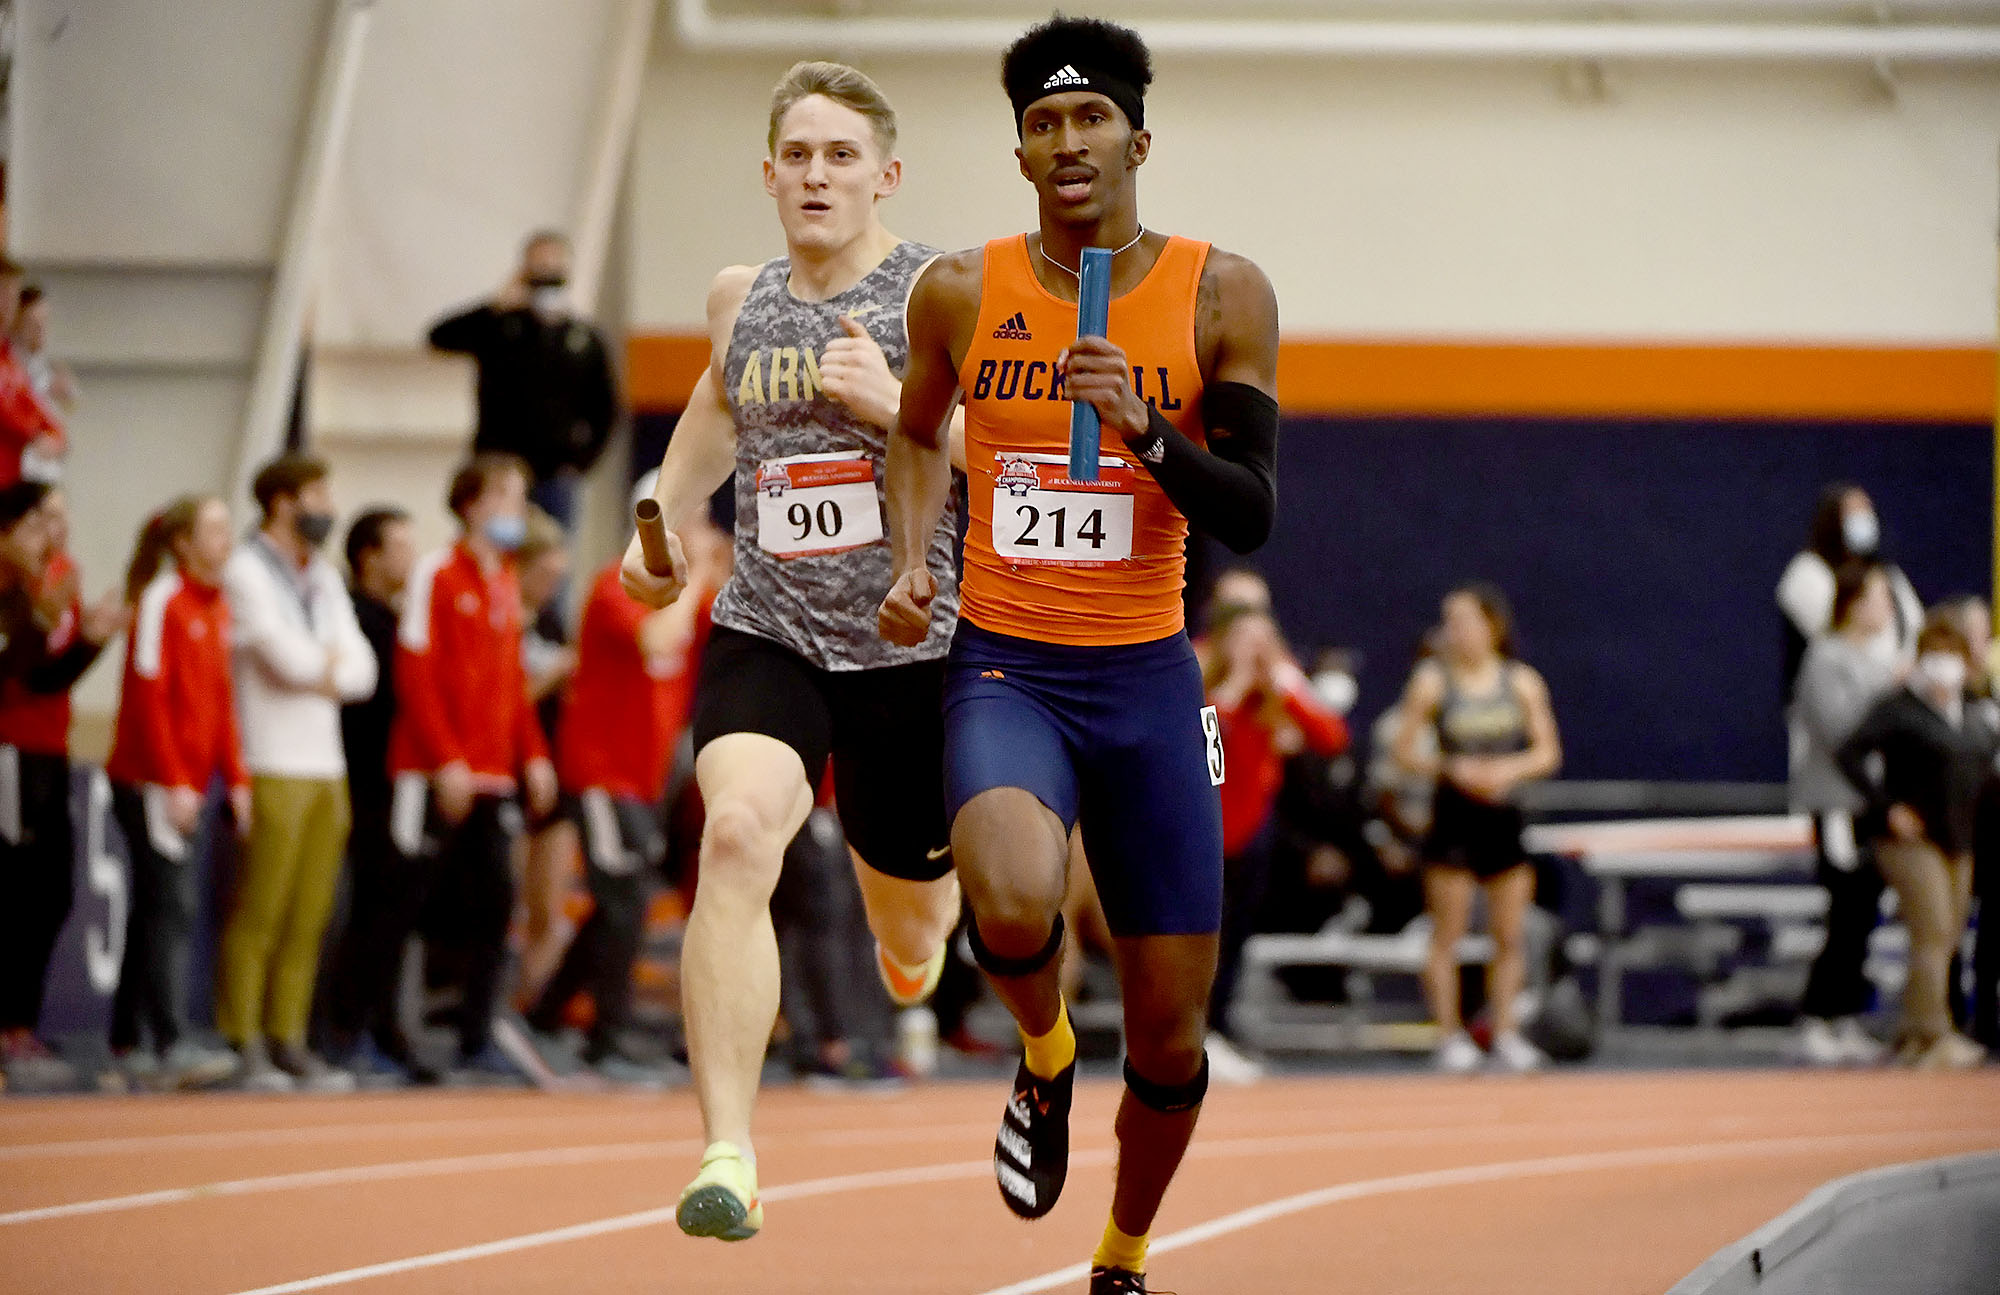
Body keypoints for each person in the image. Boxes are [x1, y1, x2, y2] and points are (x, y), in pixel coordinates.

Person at [876, 18, 1282, 1292]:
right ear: (1018, 154)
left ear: (1135, 140)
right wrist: (909, 559)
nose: (1066, 143)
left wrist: (1148, 430)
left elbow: (1253, 507)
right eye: (1042, 126)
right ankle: (1043, 1055)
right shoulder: (956, 289)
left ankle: (1121, 1255)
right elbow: (915, 434)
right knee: (1005, 896)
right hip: (1008, 664)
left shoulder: (1223, 292)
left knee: (1167, 1037)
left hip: (1150, 680)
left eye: (1089, 120)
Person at [617, 60, 968, 1241]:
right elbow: (716, 412)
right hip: (768, 628)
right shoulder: (737, 296)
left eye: (840, 157)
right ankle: (727, 1149)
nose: (817, 176)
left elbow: (1014, 458)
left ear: (885, 175)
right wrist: (654, 522)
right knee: (733, 832)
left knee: (908, 925)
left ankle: (916, 932)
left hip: (908, 641)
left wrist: (900, 409)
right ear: (769, 172)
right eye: (798, 157)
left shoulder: (942, 293)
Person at [526, 483, 726, 1082]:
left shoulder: (693, 595)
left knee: (623, 896)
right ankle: (602, 1033)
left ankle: (547, 1010)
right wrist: (696, 578)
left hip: (644, 776)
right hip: (600, 771)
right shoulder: (617, 582)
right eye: (695, 516)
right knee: (624, 898)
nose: (706, 529)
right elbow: (657, 638)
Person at [384, 453, 558, 1080]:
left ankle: (474, 1036)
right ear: (473, 503)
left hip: (493, 776)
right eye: (508, 495)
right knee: (403, 901)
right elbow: (416, 671)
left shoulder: (505, 579)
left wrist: (533, 755)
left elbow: (511, 681)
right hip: (435, 773)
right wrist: (446, 759)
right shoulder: (437, 572)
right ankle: (377, 1033)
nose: (517, 508)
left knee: (495, 904)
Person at [216, 455, 377, 1091]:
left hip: (325, 766)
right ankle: (242, 1037)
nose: (327, 505)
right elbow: (284, 662)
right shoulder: (246, 571)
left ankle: (289, 1035)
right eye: (317, 492)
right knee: (260, 909)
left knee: (311, 914)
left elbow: (362, 672)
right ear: (282, 501)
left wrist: (326, 668)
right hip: (271, 757)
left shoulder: (323, 580)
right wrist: (327, 667)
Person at [104, 495, 249, 1090]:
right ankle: (166, 1041)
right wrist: (171, 780)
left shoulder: (217, 609)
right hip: (150, 782)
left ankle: (128, 1039)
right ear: (183, 542)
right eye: (213, 529)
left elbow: (220, 705)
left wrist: (235, 778)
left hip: (191, 783)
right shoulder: (163, 600)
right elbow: (146, 694)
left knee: (154, 908)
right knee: (172, 906)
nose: (224, 539)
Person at [1391, 583, 1563, 1075]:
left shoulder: (1521, 682)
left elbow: (1547, 752)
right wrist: (1452, 769)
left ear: (1492, 626)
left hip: (1503, 820)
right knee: (1448, 931)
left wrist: (1506, 771)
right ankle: (1449, 1034)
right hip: (1454, 821)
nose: (1455, 631)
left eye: (1464, 620)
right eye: (1449, 621)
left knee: (1509, 935)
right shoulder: (1433, 682)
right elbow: (1404, 752)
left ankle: (1505, 1031)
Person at [0, 485, 126, 1090]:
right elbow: (11, 674)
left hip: (50, 749)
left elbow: (47, 681)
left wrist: (91, 643)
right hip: (8, 752)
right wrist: (44, 618)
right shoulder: (13, 590)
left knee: (51, 892)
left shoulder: (51, 581)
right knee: (15, 890)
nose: (55, 531)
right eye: (39, 521)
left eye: (60, 517)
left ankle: (20, 1022)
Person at [1836, 612, 1993, 1069]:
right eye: (1935, 656)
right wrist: (1887, 807)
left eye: (1953, 656)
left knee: (1946, 937)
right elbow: (1849, 753)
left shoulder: (1971, 711)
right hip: (1911, 840)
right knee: (1932, 929)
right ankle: (1934, 1032)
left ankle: (1911, 1033)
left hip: (1959, 838)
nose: (1945, 666)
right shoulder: (1900, 707)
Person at [1202, 605, 1347, 1082]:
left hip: (1251, 832)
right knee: (1200, 940)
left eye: (1265, 639)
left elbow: (1331, 737)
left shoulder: (1275, 696)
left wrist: (1285, 686)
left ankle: (1214, 1030)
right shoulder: (1207, 682)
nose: (1256, 650)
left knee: (1235, 940)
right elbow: (1202, 739)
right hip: (1204, 830)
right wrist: (1236, 684)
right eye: (1246, 638)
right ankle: (1191, 1032)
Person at [323, 506, 424, 1079]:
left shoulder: (396, 617)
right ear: (368, 556)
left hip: (391, 782)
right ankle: (347, 1028)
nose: (411, 558)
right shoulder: (358, 617)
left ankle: (379, 1023)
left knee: (391, 912)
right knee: (365, 913)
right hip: (361, 780)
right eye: (401, 547)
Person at [1788, 560, 1903, 1065]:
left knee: (1864, 913)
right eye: (1879, 596)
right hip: (1839, 803)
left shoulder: (1876, 661)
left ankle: (1846, 1014)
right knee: (1845, 908)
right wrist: (1890, 695)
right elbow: (1839, 732)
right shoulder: (1827, 657)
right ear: (1853, 602)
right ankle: (1818, 1015)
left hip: (1871, 804)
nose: (1887, 608)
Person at [427, 232, 619, 530]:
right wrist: (494, 306)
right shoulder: (498, 327)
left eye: (554, 272)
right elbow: (438, 338)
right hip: (496, 470)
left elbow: (607, 409)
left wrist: (580, 464)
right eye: (538, 272)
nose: (546, 282)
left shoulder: (583, 339)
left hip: (554, 474)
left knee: (551, 556)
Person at [512, 507, 580, 1008]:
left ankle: (532, 1010)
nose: (552, 586)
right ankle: (497, 1007)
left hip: (555, 764)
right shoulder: (504, 614)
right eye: (545, 576)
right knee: (508, 900)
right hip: (512, 767)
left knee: (549, 908)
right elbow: (506, 696)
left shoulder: (552, 619)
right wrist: (559, 670)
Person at [1776, 484, 1921, 702]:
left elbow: (1915, 628)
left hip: (1893, 705)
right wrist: (1888, 675)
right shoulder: (1807, 572)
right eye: (1854, 512)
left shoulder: (1888, 574)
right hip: (1835, 702)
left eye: (1867, 511)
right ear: (1831, 520)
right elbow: (1834, 635)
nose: (1864, 519)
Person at [0, 258, 64, 488]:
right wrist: (35, 433)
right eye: (3, 293)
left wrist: (52, 434)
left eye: (13, 295)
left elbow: (44, 417)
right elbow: (9, 411)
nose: (8, 304)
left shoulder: (11, 362)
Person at [13, 285, 78, 416]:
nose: (41, 332)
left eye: (44, 322)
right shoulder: (11, 361)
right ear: (18, 321)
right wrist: (49, 389)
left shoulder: (41, 362)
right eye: (34, 324)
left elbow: (71, 402)